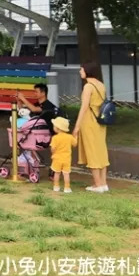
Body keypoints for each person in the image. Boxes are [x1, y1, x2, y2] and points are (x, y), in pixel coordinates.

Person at [73, 62, 110, 193]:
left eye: (81, 69)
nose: (80, 72)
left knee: (92, 151)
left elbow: (84, 107)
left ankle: (97, 184)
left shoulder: (88, 86)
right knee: (101, 150)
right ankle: (103, 183)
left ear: (87, 70)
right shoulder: (101, 85)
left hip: (89, 121)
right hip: (100, 121)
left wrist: (76, 126)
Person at [49, 116, 77, 194]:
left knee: (57, 173)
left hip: (57, 158)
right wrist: (76, 136)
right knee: (66, 174)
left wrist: (53, 153)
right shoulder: (69, 137)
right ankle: (67, 188)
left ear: (58, 128)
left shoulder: (55, 138)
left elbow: (53, 148)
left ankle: (56, 186)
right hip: (67, 159)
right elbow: (75, 144)